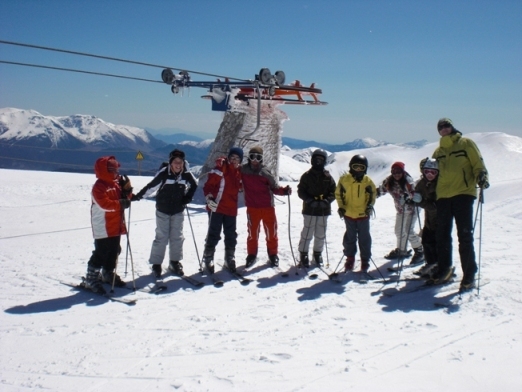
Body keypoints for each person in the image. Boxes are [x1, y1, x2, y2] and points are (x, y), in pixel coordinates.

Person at [431, 118, 489, 289]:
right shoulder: (438, 151)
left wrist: (482, 177)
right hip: (443, 196)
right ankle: (444, 269)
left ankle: (469, 273)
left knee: (464, 235)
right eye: (440, 127)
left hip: (463, 194)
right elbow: (432, 173)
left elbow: (478, 163)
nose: (444, 129)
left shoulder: (466, 144)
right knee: (441, 235)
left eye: (446, 126)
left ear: (452, 127)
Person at [132, 149, 198, 278]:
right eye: (175, 162)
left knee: (177, 237)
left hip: (178, 210)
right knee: (161, 237)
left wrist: (187, 197)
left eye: (180, 162)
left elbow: (194, 185)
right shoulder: (164, 174)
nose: (178, 164)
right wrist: (137, 197)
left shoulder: (186, 174)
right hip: (163, 210)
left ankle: (174, 262)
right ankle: (156, 264)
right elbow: (151, 187)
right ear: (171, 162)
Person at [84, 156, 132, 294]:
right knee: (101, 251)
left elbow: (125, 200)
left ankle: (107, 272)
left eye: (117, 169)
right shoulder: (99, 187)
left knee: (114, 250)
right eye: (113, 169)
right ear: (106, 170)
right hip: (103, 225)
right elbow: (104, 204)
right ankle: (91, 277)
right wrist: (121, 203)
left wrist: (127, 192)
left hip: (116, 224)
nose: (116, 172)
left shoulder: (116, 184)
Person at [241, 146, 292, 268]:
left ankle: (273, 254)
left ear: (261, 159)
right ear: (249, 157)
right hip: (252, 208)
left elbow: (274, 188)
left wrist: (284, 191)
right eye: (252, 156)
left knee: (271, 232)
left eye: (258, 157)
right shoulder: (242, 170)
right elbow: (232, 173)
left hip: (267, 207)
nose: (255, 160)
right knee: (252, 233)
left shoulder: (265, 172)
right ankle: (251, 255)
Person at [201, 147, 243, 273]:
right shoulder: (221, 169)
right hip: (216, 206)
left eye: (237, 159)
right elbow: (208, 185)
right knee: (213, 233)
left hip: (231, 209)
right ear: (229, 158)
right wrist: (209, 198)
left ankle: (229, 258)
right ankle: (208, 258)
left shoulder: (239, 173)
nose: (234, 160)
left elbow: (240, 187)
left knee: (231, 235)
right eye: (232, 158)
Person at [377, 161, 424, 265]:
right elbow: (381, 190)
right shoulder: (389, 181)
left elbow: (414, 193)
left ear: (403, 172)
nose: (396, 174)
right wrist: (372, 194)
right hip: (400, 210)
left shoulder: (408, 181)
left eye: (399, 172)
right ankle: (402, 250)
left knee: (408, 231)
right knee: (398, 231)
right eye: (394, 172)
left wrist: (409, 198)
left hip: (412, 209)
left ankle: (420, 251)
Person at [335, 155, 377, 272]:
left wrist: (370, 206)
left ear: (365, 169)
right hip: (349, 214)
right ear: (351, 167)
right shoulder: (344, 180)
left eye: (361, 168)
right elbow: (338, 194)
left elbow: (373, 194)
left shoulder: (367, 181)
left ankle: (365, 259)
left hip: (363, 214)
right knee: (350, 237)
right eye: (356, 167)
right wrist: (342, 207)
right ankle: (350, 258)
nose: (358, 170)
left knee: (364, 238)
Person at [296, 149, 337, 268]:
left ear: (324, 162)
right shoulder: (306, 176)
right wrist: (309, 200)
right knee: (307, 232)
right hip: (310, 208)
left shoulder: (328, 177)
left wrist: (327, 201)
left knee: (320, 232)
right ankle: (303, 253)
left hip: (323, 209)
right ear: (312, 160)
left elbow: (333, 192)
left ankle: (317, 253)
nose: (318, 162)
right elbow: (301, 191)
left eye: (321, 160)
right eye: (316, 159)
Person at [412, 158, 439, 278]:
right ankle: (430, 264)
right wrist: (410, 200)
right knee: (426, 240)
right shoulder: (422, 183)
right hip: (429, 219)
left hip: (439, 219)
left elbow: (434, 206)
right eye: (427, 171)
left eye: (433, 172)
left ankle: (438, 266)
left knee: (436, 243)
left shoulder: (439, 185)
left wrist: (419, 202)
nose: (430, 175)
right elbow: (417, 195)